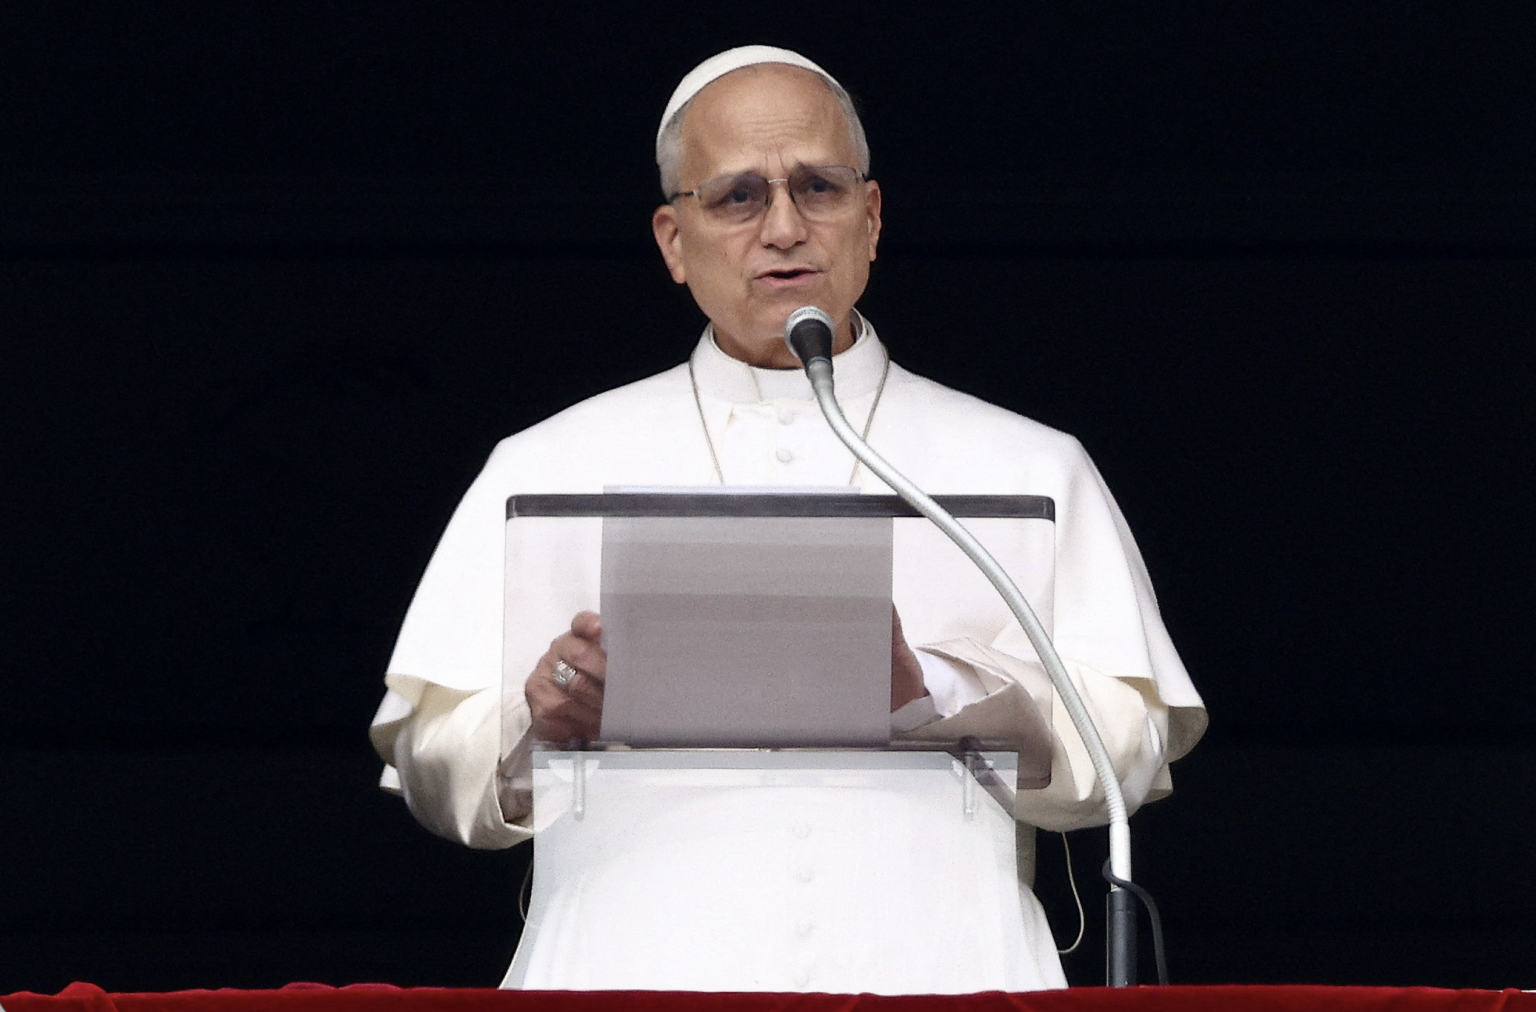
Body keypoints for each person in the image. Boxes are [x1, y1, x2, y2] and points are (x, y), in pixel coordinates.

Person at [370, 45, 1206, 992]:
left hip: (947, 980)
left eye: (819, 187)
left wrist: (928, 688)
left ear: (873, 217)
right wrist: (541, 720)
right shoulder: (548, 464)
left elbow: (1131, 753)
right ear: (673, 242)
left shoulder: (1028, 463)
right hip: (626, 977)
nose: (783, 227)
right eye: (735, 197)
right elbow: (432, 768)